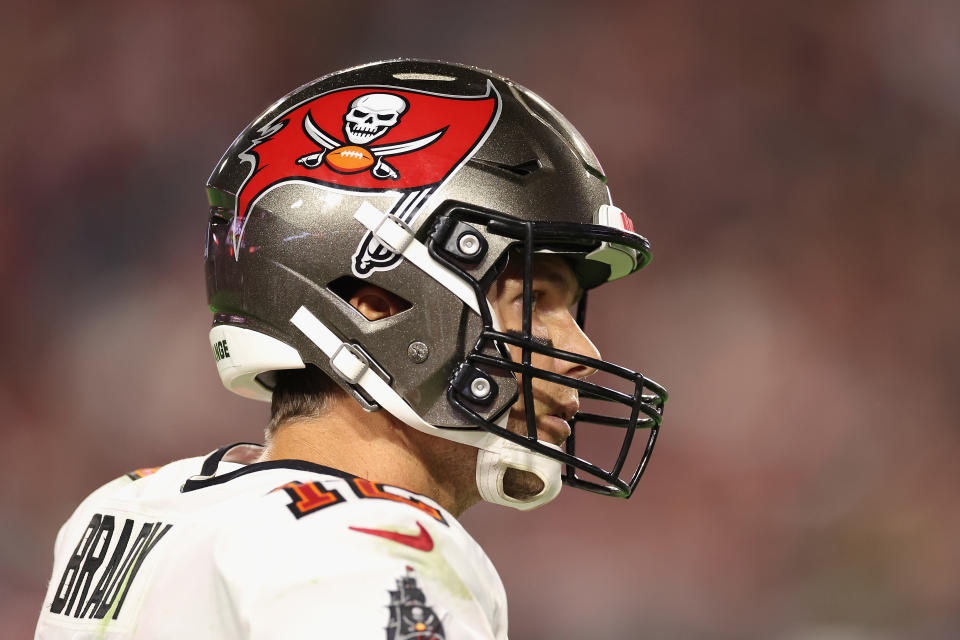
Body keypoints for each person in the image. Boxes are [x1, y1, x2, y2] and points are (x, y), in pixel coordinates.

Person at [35, 59, 667, 639]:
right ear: (376, 301)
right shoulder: (372, 544)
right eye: (531, 302)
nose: (579, 350)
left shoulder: (129, 509)